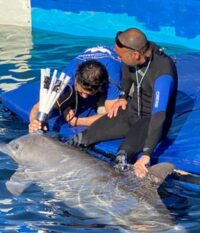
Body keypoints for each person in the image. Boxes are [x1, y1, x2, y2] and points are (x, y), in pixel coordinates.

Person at [69, 28, 178, 178]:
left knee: (121, 157)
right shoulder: (133, 55)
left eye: (120, 55)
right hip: (130, 111)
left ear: (135, 54)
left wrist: (147, 154)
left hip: (150, 119)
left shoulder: (163, 72)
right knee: (80, 139)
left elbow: (159, 116)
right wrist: (122, 97)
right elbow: (127, 74)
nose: (118, 59)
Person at [29, 46, 122, 133]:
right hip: (86, 70)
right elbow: (37, 107)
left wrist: (77, 121)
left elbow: (111, 117)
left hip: (114, 61)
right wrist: (34, 121)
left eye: (89, 94)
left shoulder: (112, 78)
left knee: (104, 110)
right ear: (76, 81)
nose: (85, 97)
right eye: (82, 92)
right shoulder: (65, 78)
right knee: (57, 103)